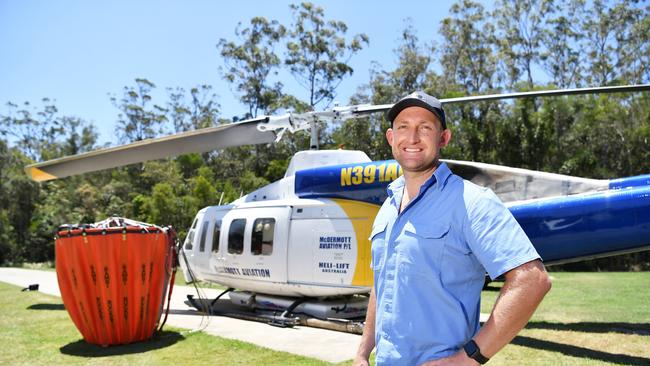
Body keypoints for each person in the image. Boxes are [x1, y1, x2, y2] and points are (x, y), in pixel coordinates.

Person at [353, 91, 551, 365]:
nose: (412, 138)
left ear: (443, 138)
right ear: (391, 138)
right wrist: (363, 351)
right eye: (403, 127)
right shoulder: (387, 207)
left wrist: (467, 359)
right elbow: (382, 282)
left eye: (425, 128)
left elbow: (532, 281)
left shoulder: (472, 201)